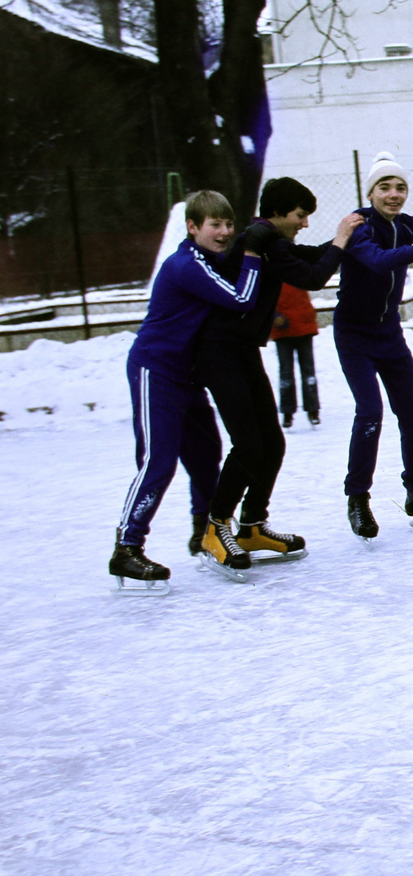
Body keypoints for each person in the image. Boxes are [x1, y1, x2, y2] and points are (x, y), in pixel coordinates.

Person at [190, 176, 359, 573]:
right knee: (249, 444)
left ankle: (251, 526)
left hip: (242, 351)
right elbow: (312, 276)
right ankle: (215, 526)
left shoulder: (268, 238)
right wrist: (339, 239)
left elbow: (303, 257)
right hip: (218, 352)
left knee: (272, 442)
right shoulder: (260, 237)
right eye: (300, 216)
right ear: (279, 212)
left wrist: (347, 245)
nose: (304, 223)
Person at [110, 191, 261, 589]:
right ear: (192, 227)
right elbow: (241, 298)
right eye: (215, 225)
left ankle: (205, 532)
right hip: (156, 371)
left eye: (229, 224)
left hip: (188, 378)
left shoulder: (209, 260)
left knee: (206, 457)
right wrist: (254, 255)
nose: (225, 232)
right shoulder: (187, 264)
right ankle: (127, 547)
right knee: (158, 461)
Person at [335, 151, 413, 539]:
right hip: (354, 335)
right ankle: (357, 497)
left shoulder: (408, 224)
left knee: (412, 412)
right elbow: (376, 261)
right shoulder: (360, 227)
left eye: (400, 187)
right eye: (385, 187)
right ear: (370, 191)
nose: (394, 194)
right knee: (370, 412)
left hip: (389, 334)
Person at [271, 283, 320, 428]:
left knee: (297, 371)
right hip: (290, 325)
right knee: (300, 371)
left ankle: (296, 411)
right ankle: (305, 410)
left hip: (297, 324)